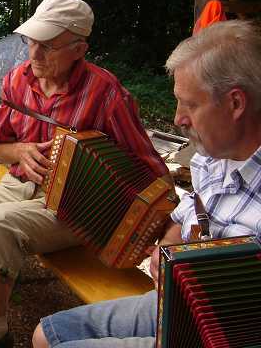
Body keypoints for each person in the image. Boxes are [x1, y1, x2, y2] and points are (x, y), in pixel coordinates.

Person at [0, 0, 171, 348]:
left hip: (72, 208)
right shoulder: (18, 79)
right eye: (31, 41)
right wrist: (20, 151)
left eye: (48, 46)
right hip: (15, 185)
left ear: (79, 49)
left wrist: (158, 227)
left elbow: (150, 167)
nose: (34, 54)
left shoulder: (106, 93)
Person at [32, 19, 261, 348]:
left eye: (191, 104)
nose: (178, 118)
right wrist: (167, 249)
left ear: (236, 103)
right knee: (46, 335)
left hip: (223, 335)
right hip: (178, 301)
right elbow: (186, 217)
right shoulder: (212, 157)